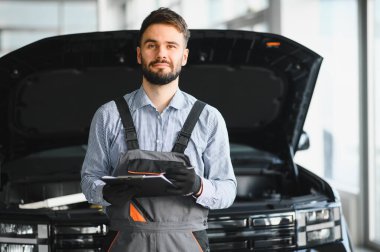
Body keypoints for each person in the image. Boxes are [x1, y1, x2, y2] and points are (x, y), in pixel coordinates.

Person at [81, 7, 236, 251]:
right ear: (139, 54)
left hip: (187, 243)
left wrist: (199, 186)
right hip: (126, 242)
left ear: (184, 56)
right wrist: (105, 192)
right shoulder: (108, 115)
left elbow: (228, 189)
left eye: (171, 46)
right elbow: (89, 180)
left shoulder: (209, 118)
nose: (161, 53)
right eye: (152, 45)